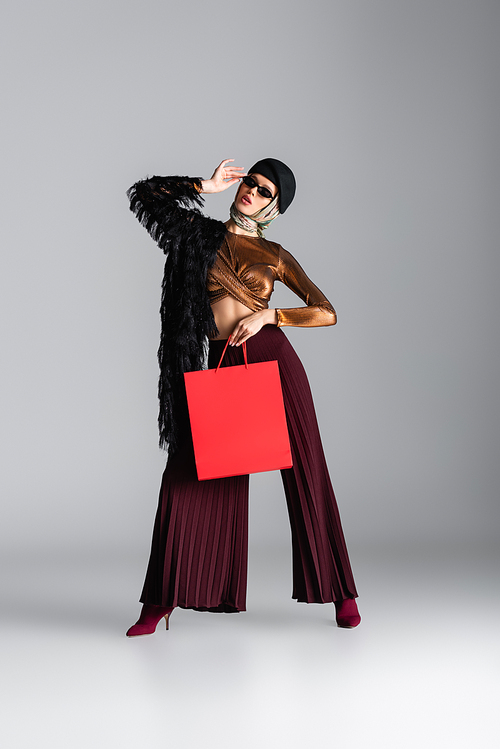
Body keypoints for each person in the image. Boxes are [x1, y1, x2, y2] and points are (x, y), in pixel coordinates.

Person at [125, 158, 361, 636]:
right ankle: (161, 600)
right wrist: (204, 185)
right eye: (250, 182)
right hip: (215, 357)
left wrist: (272, 317)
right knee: (191, 474)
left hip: (273, 359)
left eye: (264, 190)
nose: (251, 190)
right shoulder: (198, 234)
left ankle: (342, 593)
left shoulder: (274, 254)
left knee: (307, 470)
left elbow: (326, 311)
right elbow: (144, 195)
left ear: (275, 207)